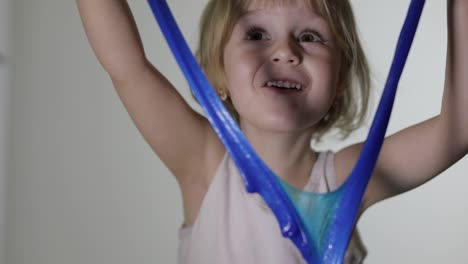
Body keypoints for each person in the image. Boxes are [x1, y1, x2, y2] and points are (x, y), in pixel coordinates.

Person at [76, 0, 468, 263]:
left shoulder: (343, 180)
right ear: (219, 72)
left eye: (310, 37)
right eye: (256, 34)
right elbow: (126, 65)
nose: (285, 51)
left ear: (340, 85)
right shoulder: (205, 163)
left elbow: (459, 128)